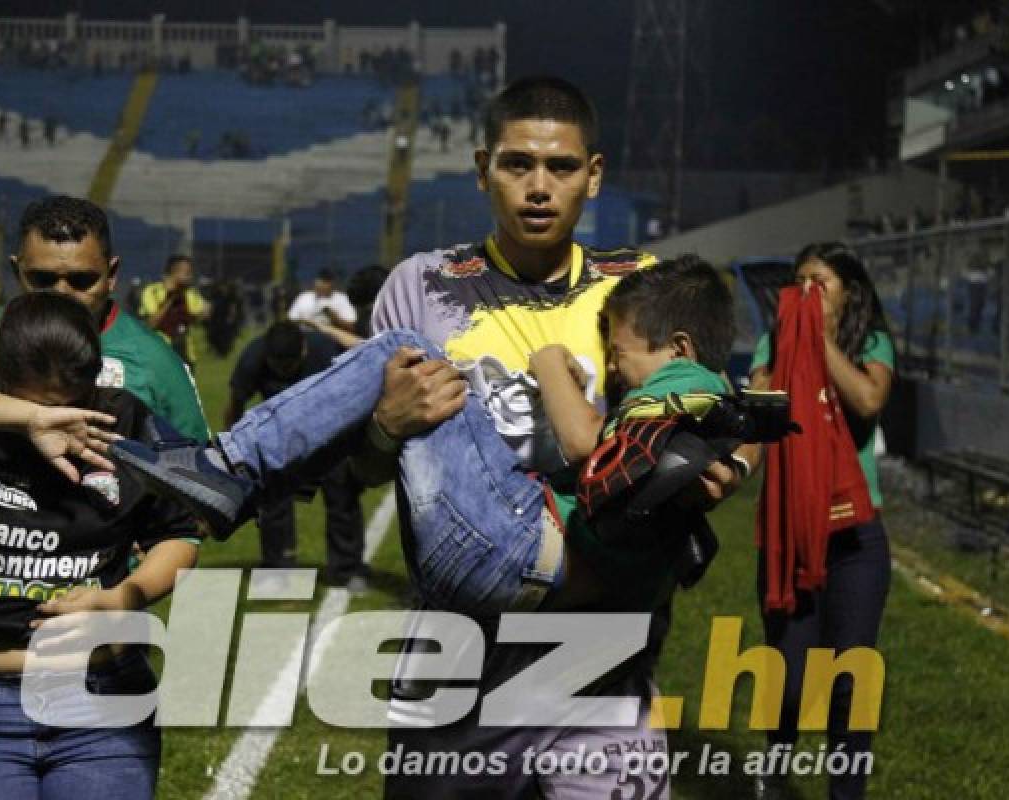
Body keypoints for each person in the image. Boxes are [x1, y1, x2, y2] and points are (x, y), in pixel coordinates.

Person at [121, 77, 744, 798]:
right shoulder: (423, 283)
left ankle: (227, 474)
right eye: (517, 165)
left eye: (562, 167)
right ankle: (229, 475)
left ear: (594, 176)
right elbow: (364, 466)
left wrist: (732, 467)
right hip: (459, 657)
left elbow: (709, 416)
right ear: (483, 169)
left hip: (599, 653)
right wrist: (387, 424)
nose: (538, 187)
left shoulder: (636, 288)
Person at [112, 256, 751, 612]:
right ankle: (237, 476)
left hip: (519, 552)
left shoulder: (688, 381)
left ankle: (232, 468)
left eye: (622, 355)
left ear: (680, 347)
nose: (614, 369)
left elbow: (588, 446)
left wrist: (553, 363)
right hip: (526, 569)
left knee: (409, 350)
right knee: (425, 373)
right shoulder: (699, 403)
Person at [0, 292, 199, 799]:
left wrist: (122, 599)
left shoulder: (125, 423)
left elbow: (177, 534)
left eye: (72, 402)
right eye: (42, 404)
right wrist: (25, 419)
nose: (60, 417)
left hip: (101, 700)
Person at [0, 196, 209, 574]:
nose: (61, 293)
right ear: (16, 269)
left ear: (112, 273)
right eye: (42, 279)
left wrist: (149, 540)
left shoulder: (156, 362)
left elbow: (197, 477)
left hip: (96, 582)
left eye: (81, 280)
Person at [739, 242, 894, 800]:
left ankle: (845, 792)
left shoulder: (870, 343)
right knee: (791, 675)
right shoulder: (771, 343)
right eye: (798, 280)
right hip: (790, 532)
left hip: (855, 538)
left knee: (850, 677)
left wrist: (819, 340)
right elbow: (761, 405)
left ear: (847, 293)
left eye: (819, 282)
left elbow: (869, 398)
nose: (805, 290)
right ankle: (774, 773)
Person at [225, 320, 370, 593]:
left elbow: (357, 391)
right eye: (277, 368)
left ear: (303, 350)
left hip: (332, 431)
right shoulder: (253, 357)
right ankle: (277, 567)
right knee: (271, 501)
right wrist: (232, 451)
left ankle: (347, 569)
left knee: (342, 497)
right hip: (281, 436)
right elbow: (235, 405)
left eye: (289, 368)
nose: (283, 373)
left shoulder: (325, 351)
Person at [139, 254, 210, 368]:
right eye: (186, 273)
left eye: (190, 273)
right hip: (158, 354)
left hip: (185, 356)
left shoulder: (190, 294)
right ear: (173, 273)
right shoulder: (153, 291)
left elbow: (201, 315)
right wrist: (171, 297)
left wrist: (207, 309)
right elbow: (151, 323)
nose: (190, 277)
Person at [286, 269, 356, 333]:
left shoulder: (342, 298)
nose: (320, 285)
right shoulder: (303, 297)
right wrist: (306, 321)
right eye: (319, 282)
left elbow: (351, 326)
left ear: (332, 284)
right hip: (305, 334)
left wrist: (333, 316)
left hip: (332, 336)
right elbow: (291, 319)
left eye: (325, 283)